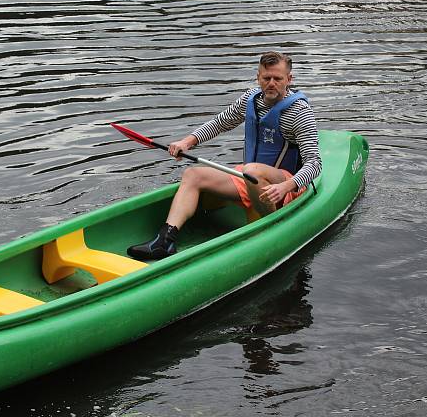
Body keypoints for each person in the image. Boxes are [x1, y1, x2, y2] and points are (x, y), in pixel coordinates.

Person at [127, 51, 322, 260]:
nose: (271, 83)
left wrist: (286, 186)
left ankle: (270, 225)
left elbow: (315, 163)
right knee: (193, 175)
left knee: (251, 170)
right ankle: (164, 241)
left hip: (284, 186)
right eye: (266, 78)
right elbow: (221, 122)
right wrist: (187, 142)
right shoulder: (251, 99)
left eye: (278, 78)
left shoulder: (299, 111)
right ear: (258, 77)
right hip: (251, 178)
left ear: (289, 79)